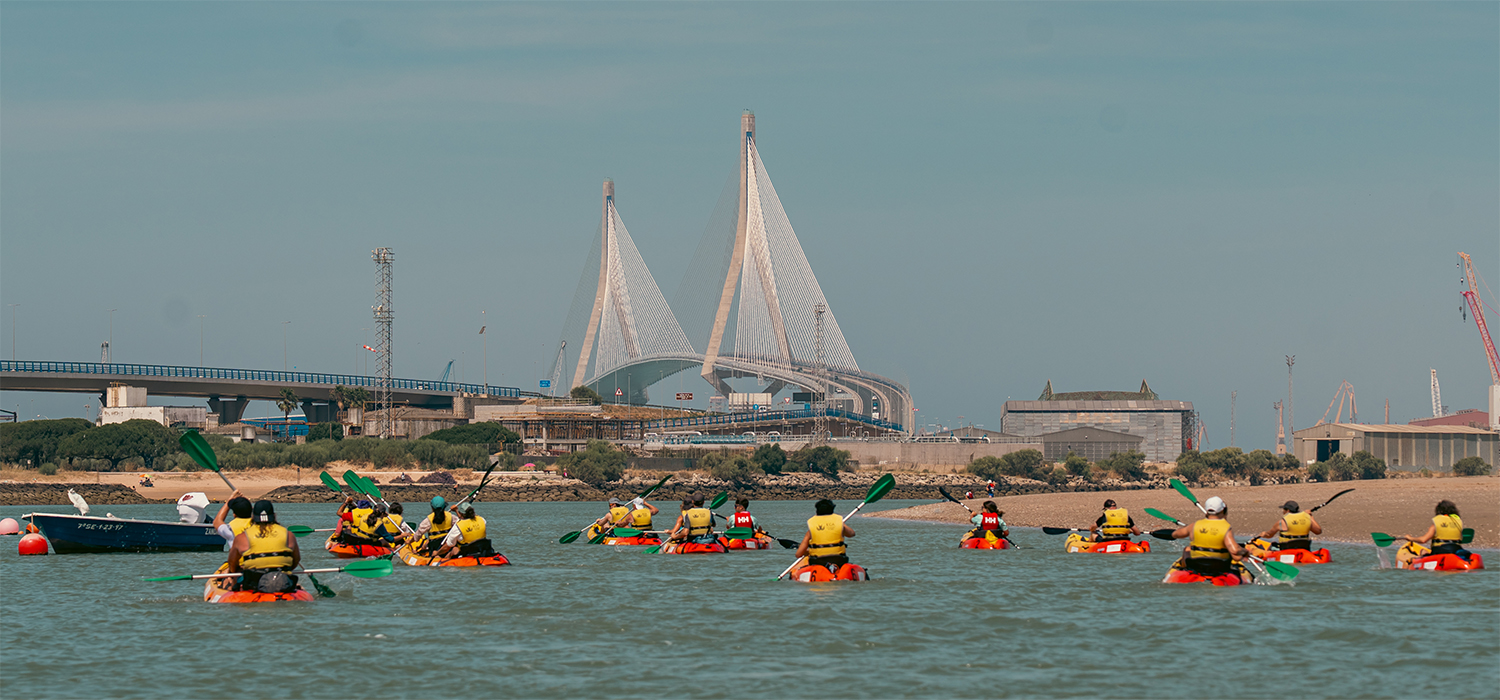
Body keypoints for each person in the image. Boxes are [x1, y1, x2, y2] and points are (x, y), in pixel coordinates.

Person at [1169, 496, 1251, 584]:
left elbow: (1175, 534)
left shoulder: (1194, 526)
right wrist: (1244, 552)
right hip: (1219, 569)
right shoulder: (1226, 527)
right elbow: (1235, 551)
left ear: (1207, 511)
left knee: (1187, 549)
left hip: (1197, 568)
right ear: (1223, 510)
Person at [227, 500, 301, 593]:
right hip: (283, 582)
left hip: (254, 584)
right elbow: (296, 560)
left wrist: (233, 576)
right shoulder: (289, 535)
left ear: (253, 516)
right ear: (274, 515)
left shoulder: (242, 537)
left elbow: (232, 563)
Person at [1401, 500, 1473, 561]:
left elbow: (1423, 540)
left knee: (1423, 551)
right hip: (1455, 551)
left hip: (1440, 552)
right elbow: (1460, 538)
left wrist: (1410, 538)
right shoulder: (1457, 521)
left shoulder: (1437, 522)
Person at [795, 499, 856, 570]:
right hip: (839, 560)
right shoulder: (839, 524)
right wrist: (841, 525)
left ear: (817, 511)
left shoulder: (810, 530)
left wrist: (808, 552)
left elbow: (798, 554)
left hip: (818, 561)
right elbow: (852, 534)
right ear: (832, 510)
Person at [1257, 500, 1322, 551]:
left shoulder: (1282, 522)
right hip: (1304, 549)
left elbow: (1269, 535)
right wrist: (1310, 516)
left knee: (1272, 545)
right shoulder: (1306, 519)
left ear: (1287, 511)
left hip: (1287, 550)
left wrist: (1264, 534)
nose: (1283, 511)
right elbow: (1318, 531)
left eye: (1284, 510)